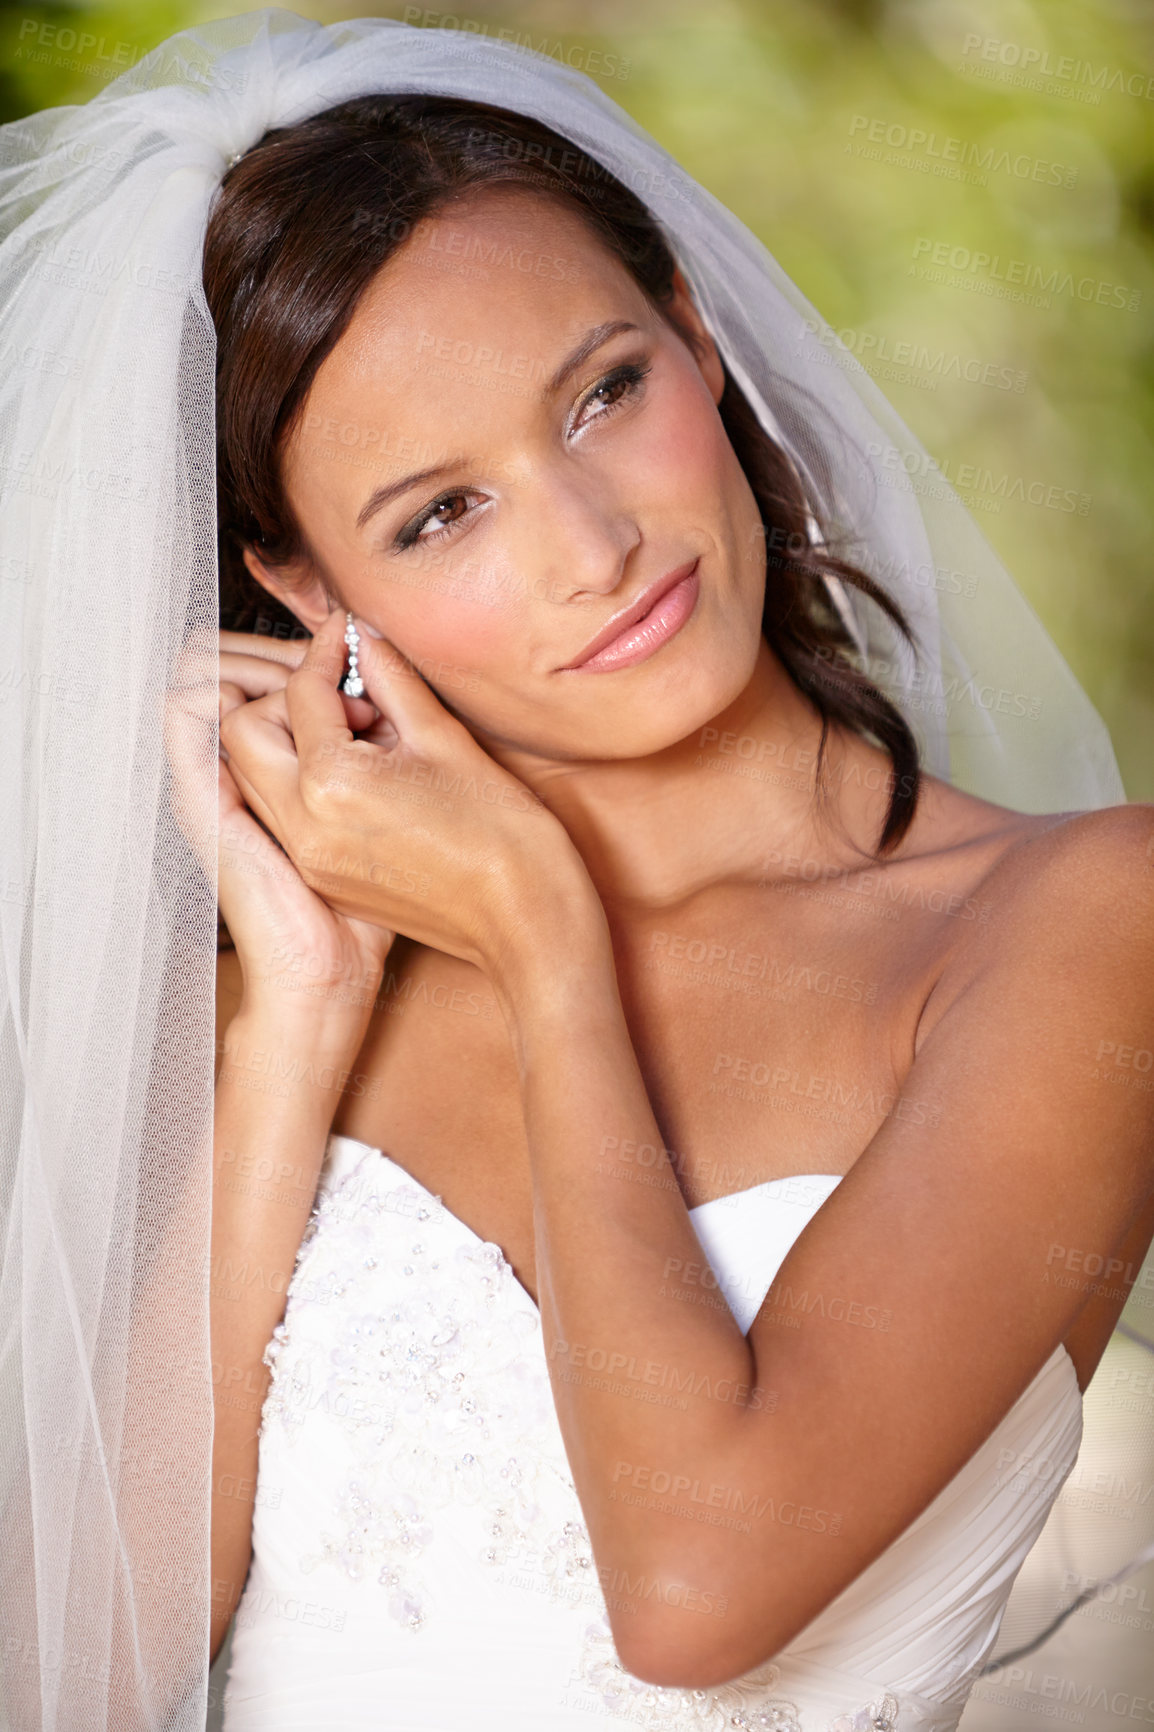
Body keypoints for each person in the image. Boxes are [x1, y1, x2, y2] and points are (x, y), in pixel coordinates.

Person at [1, 14, 1150, 1732]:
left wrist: (549, 944)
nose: (592, 548)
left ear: (697, 337)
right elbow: (72, 1674)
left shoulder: (1085, 921)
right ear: (312, 596)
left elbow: (696, 1590)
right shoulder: (302, 996)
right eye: (437, 514)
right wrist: (303, 1016)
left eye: (603, 393)